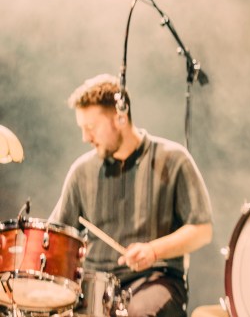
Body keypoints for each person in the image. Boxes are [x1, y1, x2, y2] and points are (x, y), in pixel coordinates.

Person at [50, 74, 213, 317]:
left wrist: (154, 250)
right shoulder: (81, 172)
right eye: (82, 129)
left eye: (91, 127)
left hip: (157, 279)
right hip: (93, 288)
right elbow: (55, 236)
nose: (85, 137)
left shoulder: (173, 160)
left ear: (120, 117)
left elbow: (202, 231)